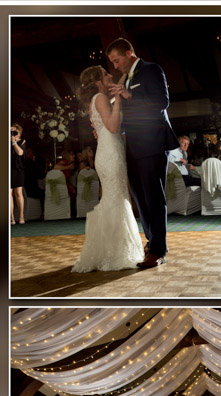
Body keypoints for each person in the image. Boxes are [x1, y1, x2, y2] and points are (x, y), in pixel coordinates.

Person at [106, 37, 181, 269]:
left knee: (154, 198)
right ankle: (151, 241)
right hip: (133, 146)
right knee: (141, 198)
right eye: (113, 62)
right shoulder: (126, 78)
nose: (115, 66)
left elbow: (162, 102)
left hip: (152, 143)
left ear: (128, 54)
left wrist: (129, 95)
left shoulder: (151, 69)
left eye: (117, 60)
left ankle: (158, 250)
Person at [71, 66, 144, 273]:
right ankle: (116, 253)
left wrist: (124, 77)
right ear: (97, 82)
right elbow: (112, 127)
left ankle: (109, 251)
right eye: (105, 74)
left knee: (115, 198)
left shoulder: (99, 98)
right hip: (110, 154)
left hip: (108, 152)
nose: (109, 75)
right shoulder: (101, 98)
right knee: (117, 199)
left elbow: (115, 90)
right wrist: (119, 98)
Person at [9, 122, 26, 224]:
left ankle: (21, 216)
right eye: (13, 132)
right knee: (9, 193)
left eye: (16, 132)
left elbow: (20, 153)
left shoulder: (22, 141)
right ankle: (11, 217)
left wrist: (13, 142)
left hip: (18, 169)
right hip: (8, 168)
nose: (15, 134)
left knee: (18, 193)